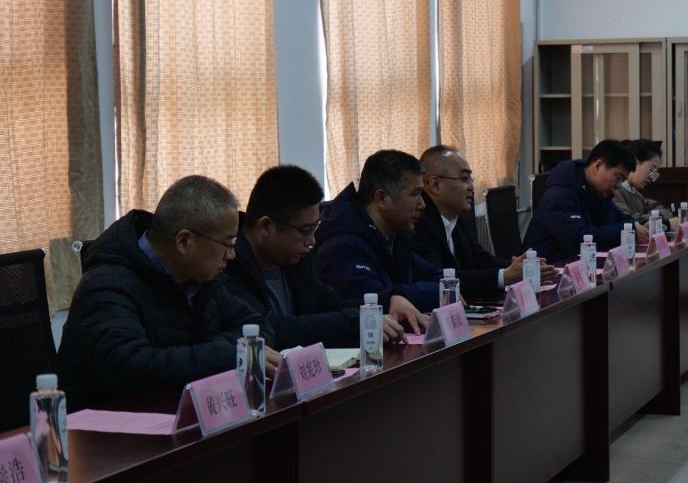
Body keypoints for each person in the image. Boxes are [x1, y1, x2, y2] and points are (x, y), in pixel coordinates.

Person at [57, 175, 279, 412]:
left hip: (177, 412)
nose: (232, 255)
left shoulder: (200, 279)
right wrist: (226, 355)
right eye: (227, 244)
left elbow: (258, 327)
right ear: (184, 241)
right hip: (105, 424)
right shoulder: (106, 286)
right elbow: (132, 370)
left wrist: (222, 353)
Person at [223, 165, 404, 349]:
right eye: (305, 230)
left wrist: (387, 300)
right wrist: (354, 322)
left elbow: (333, 306)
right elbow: (270, 330)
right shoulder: (227, 265)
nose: (312, 241)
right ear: (266, 227)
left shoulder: (298, 260)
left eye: (314, 228)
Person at [414, 146, 557, 301]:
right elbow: (437, 278)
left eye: (471, 179)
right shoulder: (417, 222)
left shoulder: (456, 216)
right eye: (464, 179)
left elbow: (480, 259)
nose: (471, 187)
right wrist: (504, 276)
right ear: (435, 185)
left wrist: (515, 266)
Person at [315, 150, 435, 329]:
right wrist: (394, 297)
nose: (422, 204)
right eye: (415, 194)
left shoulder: (397, 237)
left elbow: (441, 281)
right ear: (381, 198)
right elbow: (374, 303)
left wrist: (396, 294)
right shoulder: (341, 246)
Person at [522, 140, 649, 262]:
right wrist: (628, 231)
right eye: (618, 178)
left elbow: (617, 219)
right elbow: (580, 238)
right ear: (598, 166)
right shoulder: (559, 195)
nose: (619, 186)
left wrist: (639, 225)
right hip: (545, 270)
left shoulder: (597, 193)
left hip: (580, 266)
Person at [613, 139, 676, 228]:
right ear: (635, 162)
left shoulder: (636, 194)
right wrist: (663, 222)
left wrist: (648, 218)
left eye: (655, 172)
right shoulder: (614, 191)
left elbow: (665, 210)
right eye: (651, 170)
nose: (652, 178)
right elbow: (628, 222)